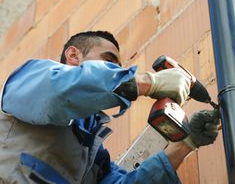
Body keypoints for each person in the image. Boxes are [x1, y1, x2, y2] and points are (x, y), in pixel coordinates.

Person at [0, 31, 220, 184]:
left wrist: (185, 144)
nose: (116, 70)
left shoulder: (95, 157)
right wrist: (147, 82)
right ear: (74, 55)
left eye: (118, 67)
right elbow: (58, 92)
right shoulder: (31, 78)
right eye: (109, 61)